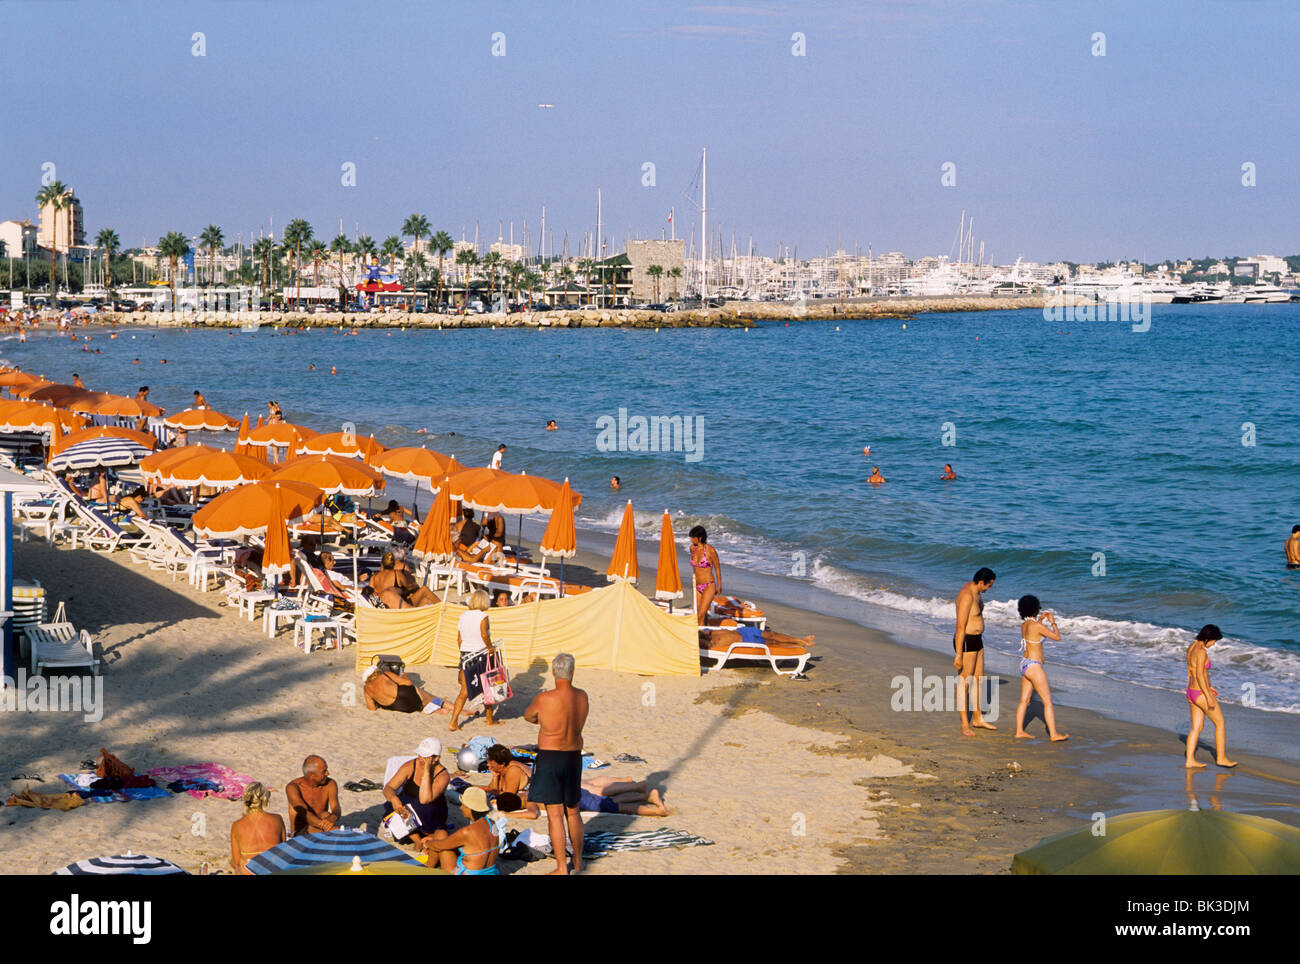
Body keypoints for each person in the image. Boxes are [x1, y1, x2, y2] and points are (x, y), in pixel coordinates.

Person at [523, 653, 589, 875]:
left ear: (553, 672)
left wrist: (545, 721)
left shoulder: (545, 698)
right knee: (573, 811)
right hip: (573, 755)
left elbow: (529, 716)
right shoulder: (582, 696)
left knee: (554, 814)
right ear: (572, 672)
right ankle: (578, 862)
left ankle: (562, 867)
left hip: (551, 756)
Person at [1013, 595, 1068, 742]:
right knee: (1048, 701)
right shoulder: (1037, 626)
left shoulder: (1025, 625)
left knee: (1024, 700)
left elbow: (1034, 632)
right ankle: (1054, 734)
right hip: (1035, 667)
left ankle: (1019, 731)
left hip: (1025, 664)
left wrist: (1041, 620)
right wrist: (1052, 622)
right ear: (1036, 608)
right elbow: (1057, 637)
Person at [953, 567, 998, 736]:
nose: (989, 589)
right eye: (989, 586)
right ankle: (965, 724)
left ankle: (978, 718)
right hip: (966, 642)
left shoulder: (975, 590)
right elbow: (960, 626)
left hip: (978, 641)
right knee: (965, 682)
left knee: (979, 680)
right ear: (981, 582)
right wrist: (958, 654)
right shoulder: (967, 596)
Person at [1185, 625, 1236, 769]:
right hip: (1200, 694)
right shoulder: (1201, 652)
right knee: (1220, 723)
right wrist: (1208, 696)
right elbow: (1200, 675)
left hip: (1191, 692)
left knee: (1196, 728)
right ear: (1207, 638)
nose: (1214, 644)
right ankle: (1221, 758)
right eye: (1213, 641)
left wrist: (1209, 686)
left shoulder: (1192, 647)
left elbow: (1194, 672)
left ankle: (1190, 760)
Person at [450, 590, 500, 731]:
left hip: (465, 654)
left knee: (464, 690)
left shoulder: (463, 616)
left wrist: (464, 652)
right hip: (480, 653)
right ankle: (489, 720)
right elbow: (484, 634)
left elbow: (459, 639)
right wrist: (490, 648)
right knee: (487, 686)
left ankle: (454, 721)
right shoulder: (483, 617)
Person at [383, 738, 449, 845]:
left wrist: (427, 771)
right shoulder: (411, 765)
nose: (421, 758)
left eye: (425, 757)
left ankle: (424, 837)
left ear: (436, 758)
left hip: (429, 810)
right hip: (409, 805)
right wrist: (394, 799)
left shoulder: (443, 776)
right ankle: (417, 840)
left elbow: (424, 799)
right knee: (390, 808)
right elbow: (388, 788)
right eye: (420, 755)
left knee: (423, 811)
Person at [426, 786, 499, 875]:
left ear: (469, 808)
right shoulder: (492, 824)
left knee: (440, 834)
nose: (461, 808)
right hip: (490, 872)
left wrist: (428, 843)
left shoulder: (467, 832)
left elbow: (439, 846)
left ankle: (427, 867)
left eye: (463, 805)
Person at [229, 782, 286, 874]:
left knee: (235, 864)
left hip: (248, 871)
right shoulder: (277, 819)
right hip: (272, 869)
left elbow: (236, 861)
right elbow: (283, 850)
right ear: (265, 799)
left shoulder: (237, 825)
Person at [284, 755, 341, 836]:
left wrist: (333, 818)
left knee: (326, 815)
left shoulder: (330, 784)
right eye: (324, 771)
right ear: (312, 776)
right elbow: (306, 814)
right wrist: (328, 827)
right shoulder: (293, 787)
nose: (328, 773)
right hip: (301, 833)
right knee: (325, 817)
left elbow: (336, 808)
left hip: (321, 825)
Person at [369, 550, 440, 608]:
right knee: (425, 590)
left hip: (384, 607)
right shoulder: (396, 574)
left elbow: (370, 593)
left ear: (382, 563)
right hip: (399, 606)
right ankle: (447, 609)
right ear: (394, 563)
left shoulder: (374, 577)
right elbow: (410, 587)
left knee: (426, 600)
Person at [689, 525, 722, 626]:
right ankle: (705, 634)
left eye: (692, 537)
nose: (690, 540)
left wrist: (719, 586)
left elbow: (717, 568)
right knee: (701, 614)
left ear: (700, 538)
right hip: (698, 586)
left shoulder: (710, 550)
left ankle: (700, 638)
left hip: (708, 585)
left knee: (700, 615)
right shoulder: (692, 548)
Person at [702, 625, 816, 648]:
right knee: (773, 643)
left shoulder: (707, 631)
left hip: (744, 631)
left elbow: (703, 630)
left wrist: (703, 633)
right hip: (746, 641)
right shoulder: (712, 643)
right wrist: (701, 641)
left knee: (772, 634)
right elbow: (708, 645)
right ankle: (799, 643)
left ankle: (800, 640)